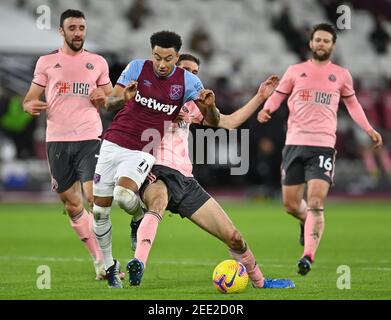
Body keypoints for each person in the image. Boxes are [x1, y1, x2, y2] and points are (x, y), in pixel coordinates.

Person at [125, 53, 295, 289]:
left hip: (185, 180)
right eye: (185, 70)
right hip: (156, 170)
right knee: (157, 203)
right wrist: (167, 113)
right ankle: (138, 264)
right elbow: (129, 111)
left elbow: (230, 122)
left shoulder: (192, 107)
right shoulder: (150, 95)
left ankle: (260, 282)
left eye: (195, 73)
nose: (190, 76)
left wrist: (260, 97)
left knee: (234, 237)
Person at [89, 31, 220, 288]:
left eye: (168, 59)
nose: (161, 64)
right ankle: (108, 267)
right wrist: (123, 97)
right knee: (99, 211)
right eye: (157, 57)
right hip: (113, 142)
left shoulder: (189, 82)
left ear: (177, 56)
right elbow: (110, 102)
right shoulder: (137, 68)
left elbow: (214, 122)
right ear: (152, 53)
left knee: (124, 196)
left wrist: (210, 106)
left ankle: (139, 219)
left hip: (142, 149)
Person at [257, 23, 383, 276]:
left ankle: (307, 256)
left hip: (323, 146)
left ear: (332, 45)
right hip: (294, 143)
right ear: (311, 43)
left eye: (326, 40)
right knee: (291, 205)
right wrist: (267, 108)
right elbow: (279, 95)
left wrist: (368, 129)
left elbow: (354, 105)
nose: (322, 44)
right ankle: (305, 222)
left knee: (315, 201)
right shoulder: (295, 71)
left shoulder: (342, 75)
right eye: (318, 40)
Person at [22, 9, 112, 280]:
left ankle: (109, 259)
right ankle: (98, 259)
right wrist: (30, 105)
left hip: (89, 136)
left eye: (81, 28)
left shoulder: (97, 62)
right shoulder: (47, 62)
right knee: (72, 205)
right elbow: (29, 98)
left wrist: (103, 97)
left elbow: (111, 99)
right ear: (61, 31)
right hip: (58, 139)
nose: (77, 33)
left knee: (94, 197)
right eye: (72, 28)